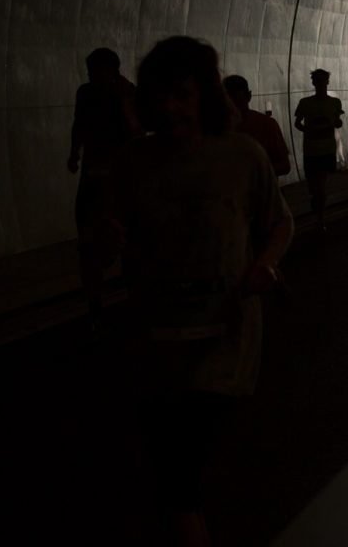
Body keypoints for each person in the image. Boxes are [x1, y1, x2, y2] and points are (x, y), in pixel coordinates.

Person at [105, 36, 293, 547]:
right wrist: (106, 240)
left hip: (222, 342)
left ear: (205, 98)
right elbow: (107, 242)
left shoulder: (241, 156)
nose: (171, 108)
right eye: (161, 96)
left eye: (183, 95)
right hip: (155, 340)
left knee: (177, 478)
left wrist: (264, 265)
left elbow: (280, 223)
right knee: (173, 484)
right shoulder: (132, 163)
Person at [71, 48, 142, 319]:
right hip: (93, 179)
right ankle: (96, 307)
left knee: (128, 242)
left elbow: (137, 133)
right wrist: (74, 152)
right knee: (88, 246)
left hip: (121, 183)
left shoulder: (128, 93)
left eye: (95, 71)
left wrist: (124, 103)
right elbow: (79, 125)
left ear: (112, 71)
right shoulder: (86, 94)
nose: (91, 76)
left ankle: (131, 299)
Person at [292, 69, 344, 231]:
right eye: (319, 81)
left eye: (323, 81)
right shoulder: (305, 103)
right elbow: (298, 123)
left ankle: (320, 218)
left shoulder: (335, 103)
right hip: (311, 150)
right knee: (314, 186)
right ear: (314, 83)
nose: (321, 84)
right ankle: (317, 202)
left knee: (320, 185)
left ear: (326, 82)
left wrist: (333, 124)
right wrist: (309, 130)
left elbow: (338, 122)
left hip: (326, 149)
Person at [224, 75, 290, 179]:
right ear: (249, 96)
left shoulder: (218, 129)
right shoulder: (267, 124)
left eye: (235, 99)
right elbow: (284, 165)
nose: (231, 104)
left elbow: (285, 165)